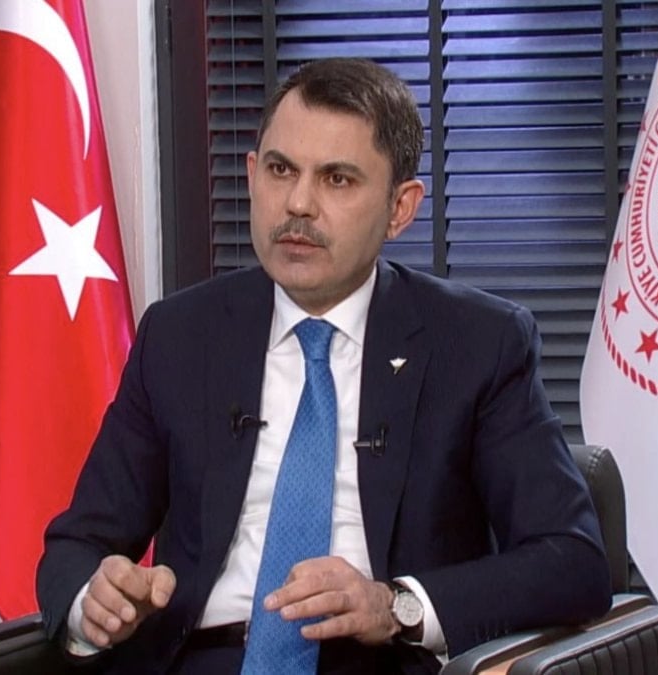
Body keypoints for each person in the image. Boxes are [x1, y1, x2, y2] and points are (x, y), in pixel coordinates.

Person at [36, 57, 611, 674]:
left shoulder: (477, 344)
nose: (299, 204)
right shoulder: (180, 336)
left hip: (378, 660)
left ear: (400, 208)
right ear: (252, 175)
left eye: (337, 179)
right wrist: (94, 602)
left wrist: (395, 606)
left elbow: (571, 561)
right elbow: (78, 543)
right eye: (281, 170)